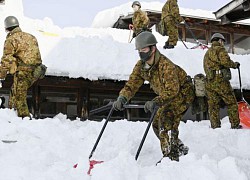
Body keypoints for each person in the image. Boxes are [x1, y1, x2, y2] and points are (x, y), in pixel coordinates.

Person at [113, 31, 194, 161]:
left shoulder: (165, 65)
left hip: (183, 93)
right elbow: (132, 84)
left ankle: (170, 157)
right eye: (139, 50)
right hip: (166, 94)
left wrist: (156, 101)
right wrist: (122, 97)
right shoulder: (141, 66)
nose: (141, 52)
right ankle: (178, 147)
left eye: (144, 49)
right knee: (156, 123)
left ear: (153, 48)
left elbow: (173, 90)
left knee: (166, 118)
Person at [0, 16, 43, 119]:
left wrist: (1, 76)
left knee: (19, 98)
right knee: (14, 92)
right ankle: (11, 115)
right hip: (37, 72)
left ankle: (24, 119)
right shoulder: (31, 36)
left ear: (7, 28)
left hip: (23, 72)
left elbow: (6, 60)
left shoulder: (11, 39)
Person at [203, 33, 241, 129]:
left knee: (213, 106)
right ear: (219, 40)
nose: (223, 44)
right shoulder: (220, 49)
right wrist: (234, 65)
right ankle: (235, 124)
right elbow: (226, 62)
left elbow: (205, 67)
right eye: (223, 41)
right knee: (231, 102)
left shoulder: (207, 53)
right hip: (220, 81)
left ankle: (215, 127)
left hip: (209, 81)